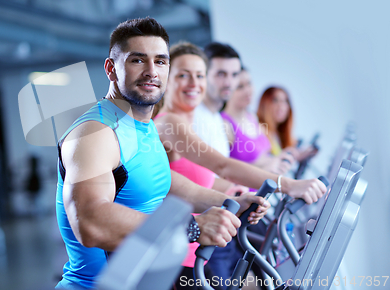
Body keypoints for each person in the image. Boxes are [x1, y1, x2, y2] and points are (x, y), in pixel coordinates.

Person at [55, 17, 270, 290]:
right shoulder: (95, 133)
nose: (151, 71)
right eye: (137, 60)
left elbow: (166, 184)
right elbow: (90, 222)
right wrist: (192, 228)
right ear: (111, 69)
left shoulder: (142, 125)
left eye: (160, 61)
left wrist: (231, 201)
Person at [153, 42, 326, 288]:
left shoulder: (188, 123)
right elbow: (223, 165)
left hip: (200, 250)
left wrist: (237, 196)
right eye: (183, 75)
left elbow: (203, 180)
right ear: (166, 80)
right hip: (181, 256)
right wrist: (288, 185)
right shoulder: (168, 123)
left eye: (199, 75)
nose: (194, 83)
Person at [222, 68, 293, 174]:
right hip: (248, 190)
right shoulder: (224, 125)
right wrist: (265, 166)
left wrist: (277, 159)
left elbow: (263, 158)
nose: (248, 91)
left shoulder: (253, 118)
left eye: (249, 84)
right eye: (240, 87)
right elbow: (222, 171)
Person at [257, 86, 318, 162]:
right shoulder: (258, 128)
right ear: (264, 103)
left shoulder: (276, 137)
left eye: (285, 101)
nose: (281, 106)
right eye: (275, 100)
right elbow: (258, 160)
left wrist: (298, 155)